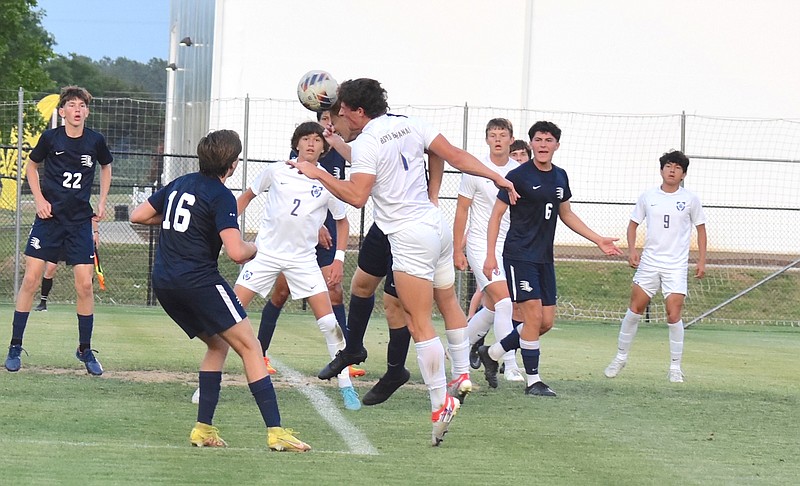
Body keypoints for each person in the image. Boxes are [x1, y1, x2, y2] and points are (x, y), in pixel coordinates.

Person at [290, 78, 519, 446]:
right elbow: (453, 154)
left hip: (410, 237)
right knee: (448, 303)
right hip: (437, 227)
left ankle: (438, 404)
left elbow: (358, 195)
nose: (338, 116)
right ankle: (461, 375)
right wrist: (496, 176)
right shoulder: (409, 123)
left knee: (418, 322)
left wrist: (317, 171)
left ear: (359, 112)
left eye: (343, 110)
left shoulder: (365, 142)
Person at [129, 129, 310, 452]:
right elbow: (236, 252)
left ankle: (203, 429)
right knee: (251, 347)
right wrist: (256, 248)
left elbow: (138, 216)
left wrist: (183, 220)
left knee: (217, 345)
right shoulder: (221, 195)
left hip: (165, 282)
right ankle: (276, 432)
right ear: (232, 164)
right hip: (198, 281)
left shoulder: (180, 183)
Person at [479, 120, 622, 397]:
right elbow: (496, 215)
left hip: (545, 258)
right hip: (520, 255)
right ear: (530, 144)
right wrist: (489, 255)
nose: (543, 145)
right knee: (532, 316)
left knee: (544, 323)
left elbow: (566, 214)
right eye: (538, 140)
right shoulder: (518, 176)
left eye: (548, 140)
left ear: (557, 144)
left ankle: (492, 352)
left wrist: (598, 240)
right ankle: (534, 381)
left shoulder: (560, 176)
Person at [235, 121, 361, 411]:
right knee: (228, 312)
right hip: (266, 255)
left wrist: (339, 259)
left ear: (324, 147)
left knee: (329, 323)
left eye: (317, 140)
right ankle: (207, 384)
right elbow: (245, 197)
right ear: (296, 144)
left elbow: (342, 222)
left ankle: (346, 387)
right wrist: (225, 229)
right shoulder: (276, 170)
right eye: (305, 139)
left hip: (304, 260)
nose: (311, 144)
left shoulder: (327, 180)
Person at [5, 86, 112, 375]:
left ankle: (85, 349)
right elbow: (31, 167)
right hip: (49, 220)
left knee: (85, 285)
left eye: (82, 105)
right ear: (62, 111)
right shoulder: (51, 138)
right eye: (72, 105)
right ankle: (15, 346)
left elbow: (106, 166)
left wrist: (101, 201)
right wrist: (39, 200)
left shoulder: (95, 141)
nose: (77, 110)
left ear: (87, 111)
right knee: (30, 280)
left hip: (79, 223)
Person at [256, 108, 364, 379]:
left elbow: (338, 198)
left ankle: (344, 358)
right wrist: (314, 226)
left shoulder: (339, 152)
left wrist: (326, 231)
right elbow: (295, 197)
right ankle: (261, 354)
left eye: (332, 120)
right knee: (280, 294)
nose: (329, 125)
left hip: (327, 233)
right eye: (324, 120)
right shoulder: (298, 158)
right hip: (298, 235)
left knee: (335, 291)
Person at [604, 150, 707, 383]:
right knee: (635, 310)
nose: (672, 170)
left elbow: (701, 230)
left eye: (677, 167)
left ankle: (674, 367)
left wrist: (701, 260)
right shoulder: (648, 196)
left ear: (683, 174)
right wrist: (632, 251)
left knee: (673, 314)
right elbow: (632, 225)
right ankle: (620, 357)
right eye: (669, 166)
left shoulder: (690, 199)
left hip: (676, 266)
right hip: (650, 263)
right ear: (661, 170)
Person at [453, 118, 524, 383]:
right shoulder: (474, 170)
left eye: (502, 135)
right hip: (481, 245)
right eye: (492, 135)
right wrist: (457, 250)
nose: (497, 139)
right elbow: (462, 210)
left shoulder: (519, 171)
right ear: (486, 140)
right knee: (505, 303)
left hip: (509, 246)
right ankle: (510, 363)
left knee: (495, 307)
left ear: (510, 139)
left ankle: (456, 349)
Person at [34, 222, 100, 312]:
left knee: (85, 273)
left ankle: (86, 302)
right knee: (50, 268)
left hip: (77, 236)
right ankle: (43, 302)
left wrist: (96, 232)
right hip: (60, 234)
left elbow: (92, 215)